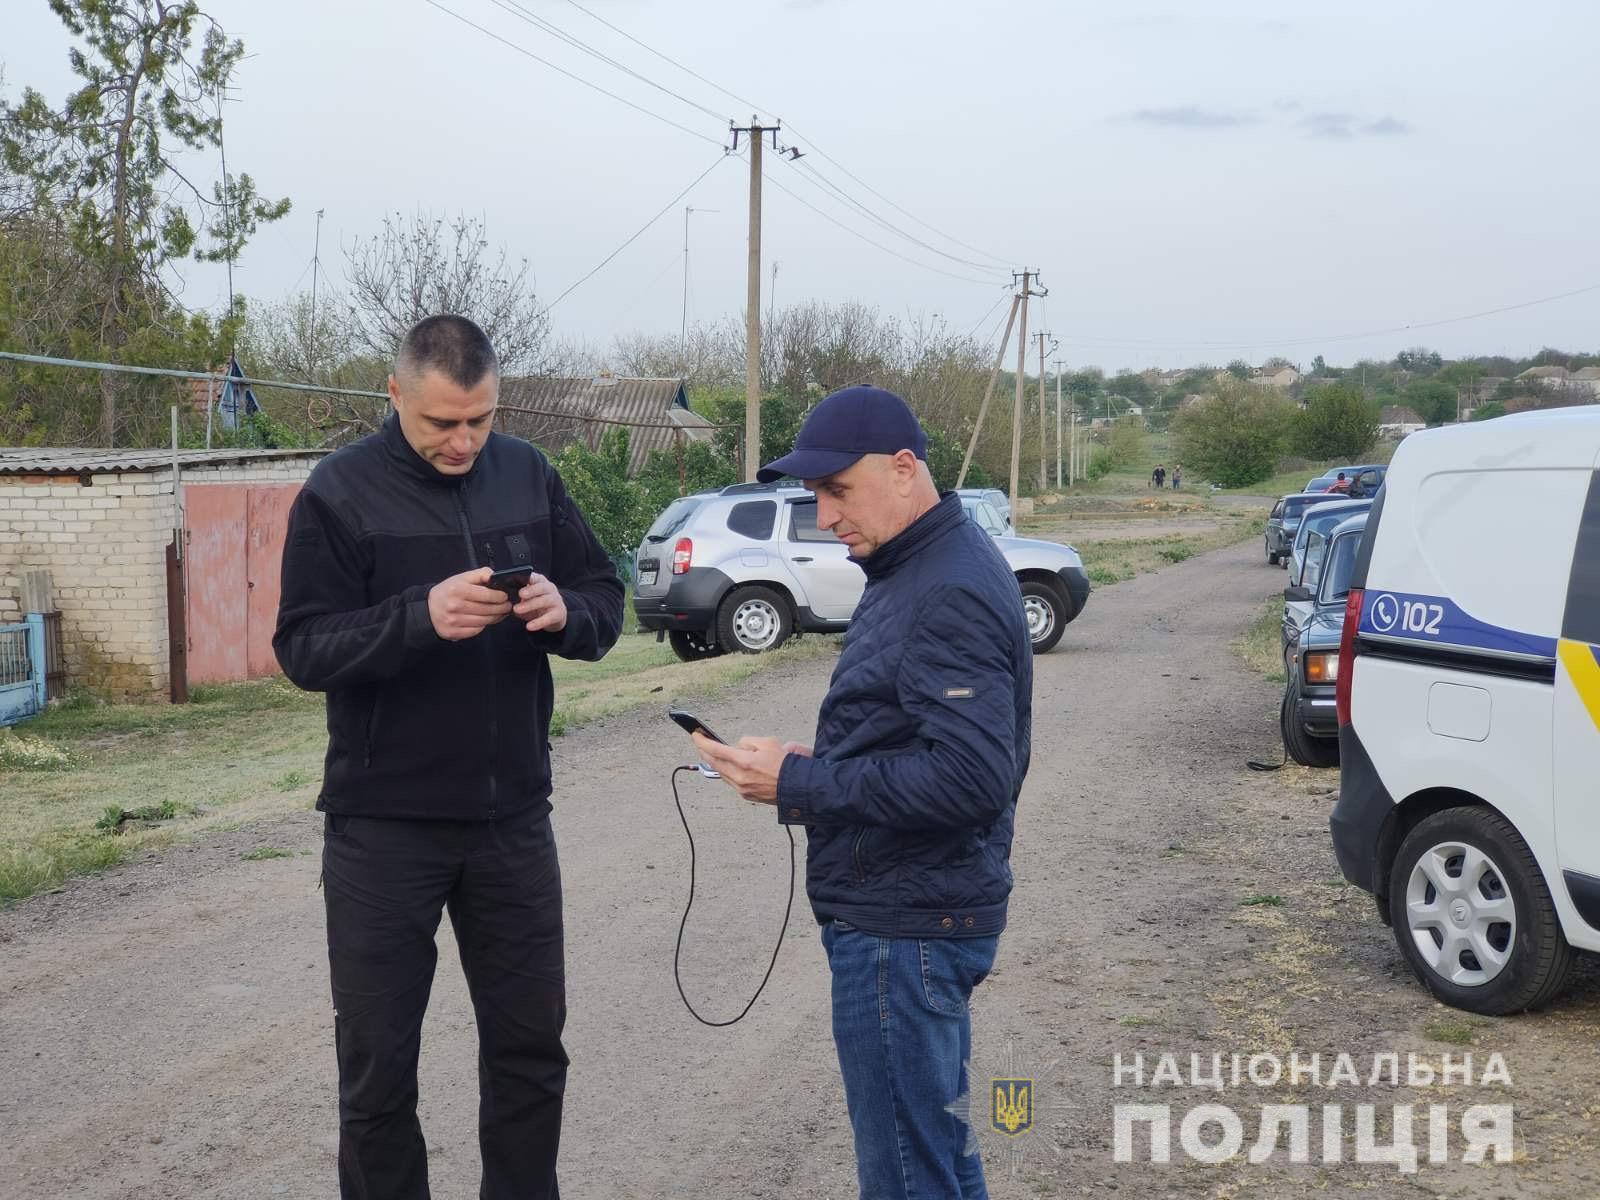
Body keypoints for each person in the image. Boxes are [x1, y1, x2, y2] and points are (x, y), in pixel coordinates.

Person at [273, 314, 624, 1200]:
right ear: (395, 396)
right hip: (383, 829)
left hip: (512, 824)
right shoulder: (338, 492)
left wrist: (564, 612)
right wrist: (416, 620)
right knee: (379, 1069)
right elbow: (302, 648)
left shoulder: (530, 474)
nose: (464, 441)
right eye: (442, 424)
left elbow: (603, 597)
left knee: (530, 1051)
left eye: (481, 420)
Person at [691, 385, 1033, 1200]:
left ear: (906, 468)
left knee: (909, 1177)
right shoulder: (914, 563)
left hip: (905, 927)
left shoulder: (944, 584)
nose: (823, 511)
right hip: (915, 912)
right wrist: (819, 759)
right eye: (813, 492)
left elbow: (973, 778)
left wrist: (800, 781)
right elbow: (923, 738)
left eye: (838, 488)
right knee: (938, 1157)